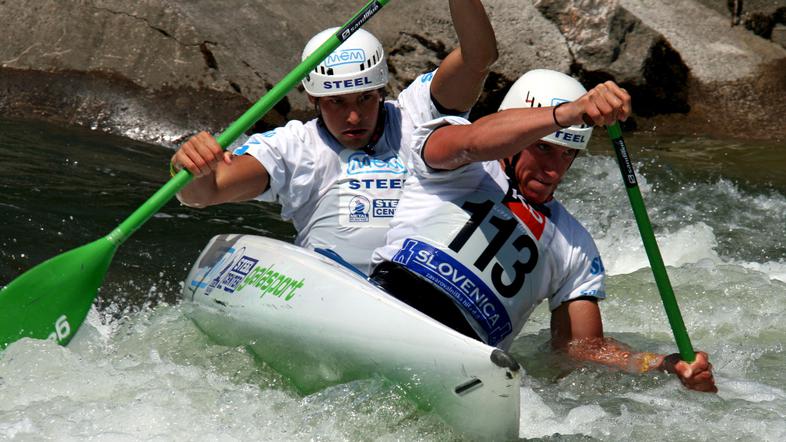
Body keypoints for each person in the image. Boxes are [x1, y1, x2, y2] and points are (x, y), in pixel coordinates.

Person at [370, 69, 717, 392]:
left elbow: (581, 348)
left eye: (567, 155)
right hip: (386, 303)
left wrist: (660, 364)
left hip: (462, 357)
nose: (553, 170)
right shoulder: (459, 162)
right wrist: (568, 113)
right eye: (543, 148)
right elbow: (472, 141)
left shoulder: (575, 245)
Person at [170, 1, 497, 274]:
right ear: (314, 101)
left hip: (422, 289)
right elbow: (204, 194)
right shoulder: (294, 147)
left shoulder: (417, 113)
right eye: (337, 102)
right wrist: (192, 166)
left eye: (365, 99)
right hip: (333, 293)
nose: (353, 117)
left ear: (381, 91)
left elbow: (478, 57)